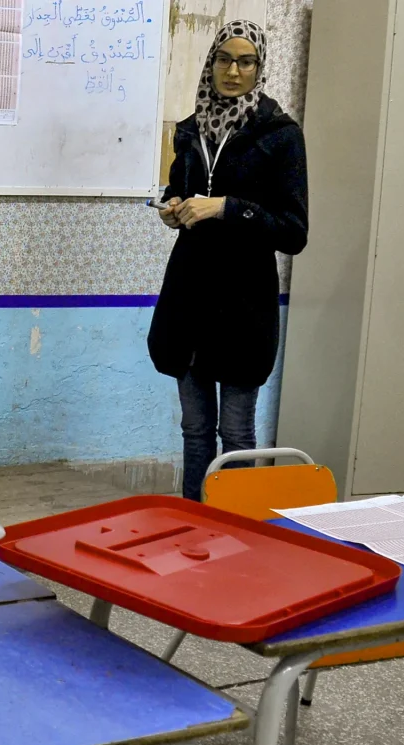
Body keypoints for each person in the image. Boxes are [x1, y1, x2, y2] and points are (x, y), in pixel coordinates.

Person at [147, 20, 308, 501]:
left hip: (243, 305)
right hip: (190, 298)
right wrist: (173, 209)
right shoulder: (191, 128)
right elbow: (178, 188)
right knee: (195, 430)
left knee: (235, 434)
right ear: (211, 62)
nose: (232, 71)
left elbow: (293, 231)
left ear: (260, 68)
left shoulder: (280, 135)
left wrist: (226, 207)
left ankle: (237, 530)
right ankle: (193, 523)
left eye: (245, 61)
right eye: (224, 59)